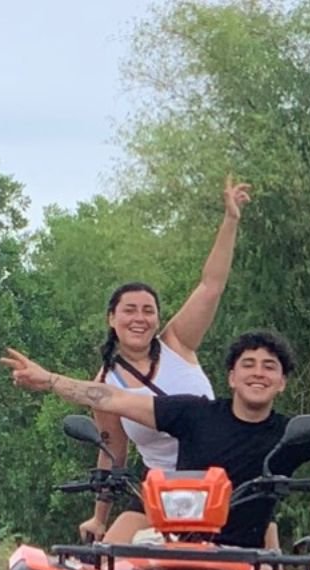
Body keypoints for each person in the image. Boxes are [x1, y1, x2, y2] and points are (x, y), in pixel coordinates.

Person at [1, 331, 310, 549]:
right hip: (175, 551)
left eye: (270, 367)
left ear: (281, 382)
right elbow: (112, 398)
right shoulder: (194, 412)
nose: (258, 373)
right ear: (231, 377)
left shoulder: (291, 435)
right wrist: (50, 380)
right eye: (248, 365)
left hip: (247, 568)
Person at [81, 176, 252, 544]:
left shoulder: (178, 342)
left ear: (158, 318)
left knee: (258, 546)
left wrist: (230, 220)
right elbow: (112, 453)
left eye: (148, 310)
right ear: (112, 318)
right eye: (129, 310)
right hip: (161, 491)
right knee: (108, 555)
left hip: (221, 480)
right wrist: (98, 517)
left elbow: (211, 286)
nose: (139, 318)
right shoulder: (105, 384)